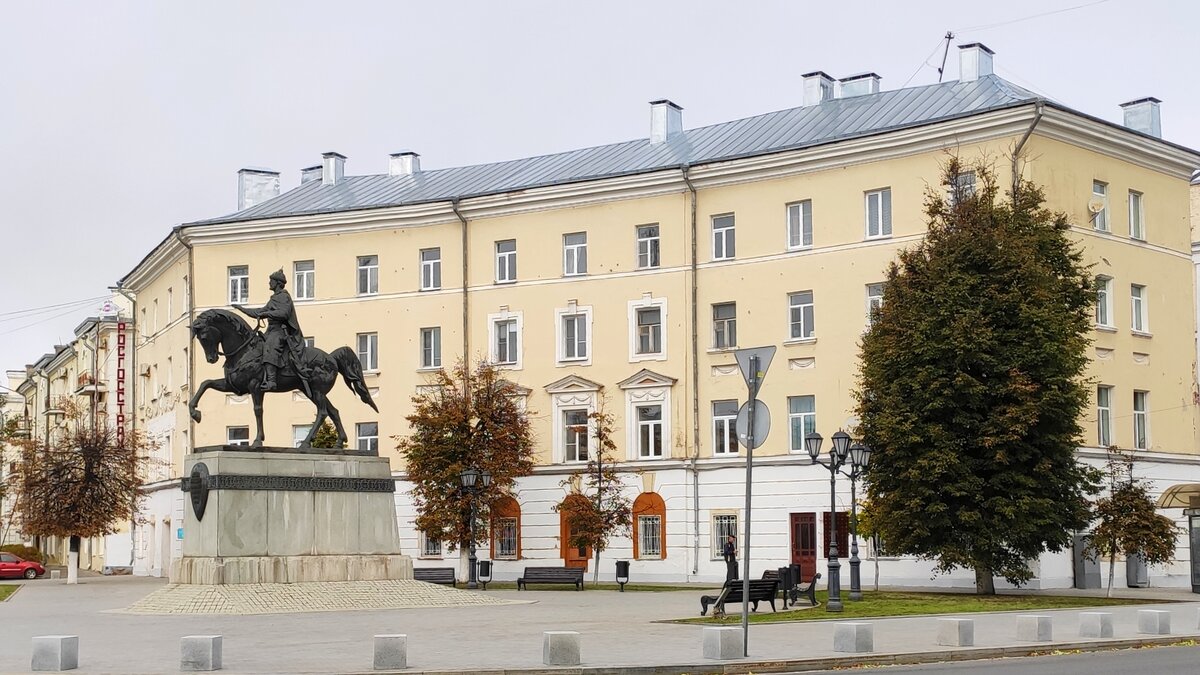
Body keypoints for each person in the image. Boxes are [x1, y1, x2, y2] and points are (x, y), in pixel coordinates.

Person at [233, 269, 306, 391]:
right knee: (256, 345)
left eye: (271, 281)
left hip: (281, 331)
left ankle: (271, 381)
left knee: (270, 347)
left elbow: (284, 313)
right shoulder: (274, 299)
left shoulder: (283, 296)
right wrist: (242, 309)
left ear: (277, 283)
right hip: (271, 331)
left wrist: (268, 313)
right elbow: (258, 312)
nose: (269, 283)